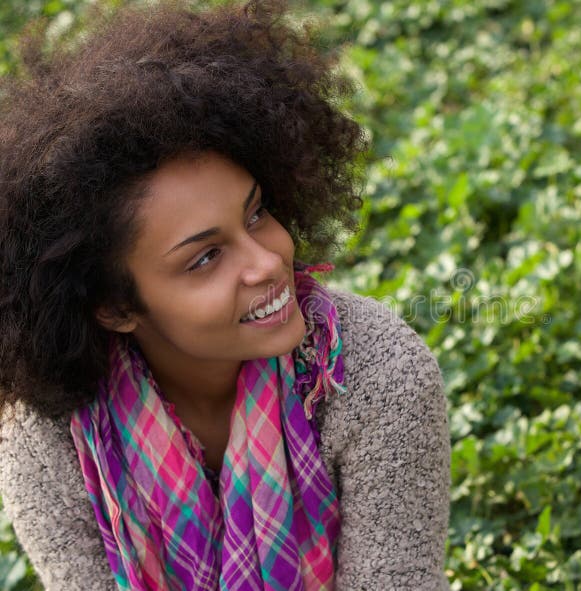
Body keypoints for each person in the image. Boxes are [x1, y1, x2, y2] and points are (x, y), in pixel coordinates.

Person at [0, 1, 450, 589]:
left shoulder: (377, 376)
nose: (268, 262)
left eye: (257, 213)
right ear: (114, 307)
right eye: (206, 257)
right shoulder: (49, 437)